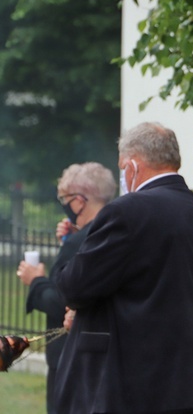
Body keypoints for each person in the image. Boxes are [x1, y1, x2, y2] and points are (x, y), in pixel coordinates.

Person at [54, 122, 193, 414]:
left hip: (136, 383)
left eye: (123, 167)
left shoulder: (126, 212)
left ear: (132, 167)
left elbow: (75, 286)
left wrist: (70, 244)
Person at [16, 162, 116, 414]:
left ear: (81, 200)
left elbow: (64, 300)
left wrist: (36, 280)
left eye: (65, 198)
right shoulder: (108, 232)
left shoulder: (83, 240)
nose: (65, 205)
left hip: (69, 355)